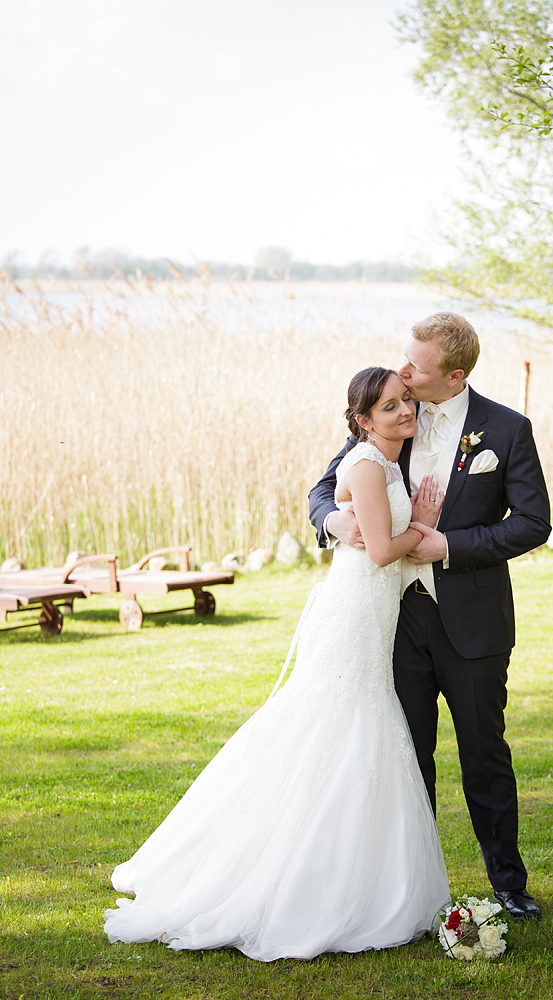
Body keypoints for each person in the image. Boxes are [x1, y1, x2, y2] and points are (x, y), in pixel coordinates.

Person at [103, 367, 451, 961]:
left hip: (372, 613)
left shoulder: (382, 463)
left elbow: (360, 522)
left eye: (407, 401)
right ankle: (285, 874)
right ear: (363, 420)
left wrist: (362, 519)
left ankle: (355, 873)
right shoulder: (368, 463)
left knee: (354, 722)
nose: (404, 412)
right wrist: (420, 524)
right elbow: (381, 548)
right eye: (389, 406)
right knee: (335, 719)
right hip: (357, 609)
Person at [309, 313, 551, 921]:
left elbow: (532, 522)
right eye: (405, 360)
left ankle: (508, 883)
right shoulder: (394, 410)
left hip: (472, 622)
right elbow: (325, 488)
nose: (405, 372)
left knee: (484, 754)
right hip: (392, 620)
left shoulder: (507, 429)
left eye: (417, 365)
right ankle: (411, 890)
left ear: (456, 374)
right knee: (404, 755)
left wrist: (451, 547)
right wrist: (334, 523)